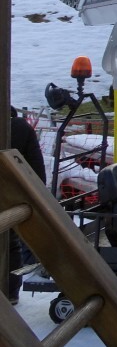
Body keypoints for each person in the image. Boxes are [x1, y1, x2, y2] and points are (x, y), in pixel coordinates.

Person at [6, 106, 46, 305]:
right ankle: (11, 291)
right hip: (19, 193)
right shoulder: (23, 127)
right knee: (11, 243)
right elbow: (36, 164)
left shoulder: (12, 130)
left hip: (8, 192)